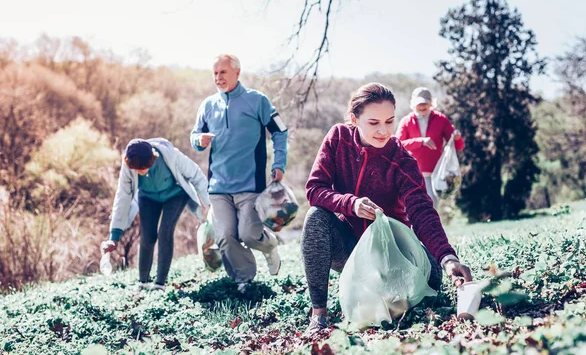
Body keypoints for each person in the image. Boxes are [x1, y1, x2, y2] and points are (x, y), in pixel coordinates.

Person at [302, 83, 472, 334]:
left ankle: (389, 291)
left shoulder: (401, 159)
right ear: (354, 119)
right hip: (349, 249)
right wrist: (351, 203)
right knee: (315, 217)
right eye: (373, 123)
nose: (383, 131)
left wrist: (447, 257)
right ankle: (319, 314)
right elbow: (315, 189)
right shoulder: (338, 139)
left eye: (389, 121)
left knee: (433, 276)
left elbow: (422, 210)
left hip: (391, 254)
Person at [190, 54, 288, 293]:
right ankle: (244, 280)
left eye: (223, 72)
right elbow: (194, 137)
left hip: (250, 185)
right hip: (218, 186)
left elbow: (280, 131)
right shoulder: (208, 105)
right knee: (224, 236)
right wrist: (199, 141)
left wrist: (279, 163)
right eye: (215, 73)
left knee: (249, 234)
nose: (218, 78)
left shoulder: (257, 101)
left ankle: (270, 246)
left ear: (237, 72)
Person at [101, 138, 211, 291]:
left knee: (165, 232)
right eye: (136, 169)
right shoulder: (129, 165)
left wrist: (207, 201)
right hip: (148, 198)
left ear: (152, 159)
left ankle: (160, 284)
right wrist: (114, 236)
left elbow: (196, 174)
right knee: (147, 236)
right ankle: (143, 282)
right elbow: (123, 197)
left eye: (142, 168)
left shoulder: (171, 155)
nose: (138, 172)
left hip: (175, 195)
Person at [396, 87, 464, 208]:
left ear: (431, 103)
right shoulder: (406, 121)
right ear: (413, 104)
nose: (422, 107)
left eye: (425, 104)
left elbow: (457, 146)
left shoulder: (441, 119)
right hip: (411, 173)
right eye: (419, 104)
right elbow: (398, 144)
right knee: (411, 209)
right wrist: (420, 141)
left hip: (434, 174)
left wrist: (457, 138)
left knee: (430, 208)